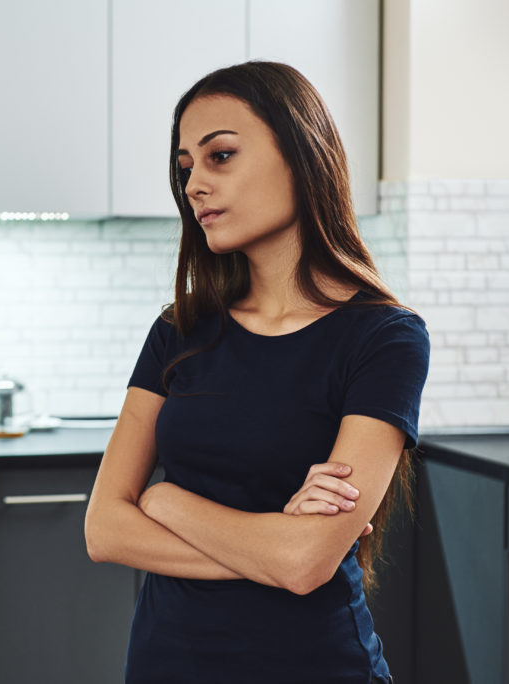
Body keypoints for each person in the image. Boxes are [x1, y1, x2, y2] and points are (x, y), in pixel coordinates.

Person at [84, 62, 429, 684]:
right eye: (186, 167)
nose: (194, 185)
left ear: (302, 155)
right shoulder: (179, 330)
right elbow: (105, 529)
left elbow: (305, 564)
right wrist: (273, 548)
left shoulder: (385, 338)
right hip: (168, 664)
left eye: (220, 156)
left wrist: (164, 502)